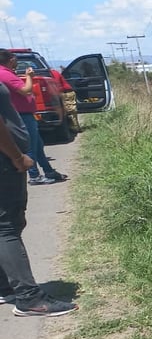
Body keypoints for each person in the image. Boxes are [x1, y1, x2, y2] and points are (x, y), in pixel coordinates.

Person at [0, 82, 78, 317]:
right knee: (7, 228)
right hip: (5, 160)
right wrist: (16, 156)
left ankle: (6, 286)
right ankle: (29, 298)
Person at [0, 49, 67, 185]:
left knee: (38, 146)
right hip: (22, 115)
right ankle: (34, 176)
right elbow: (25, 90)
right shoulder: (4, 74)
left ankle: (48, 171)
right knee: (30, 146)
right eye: (15, 59)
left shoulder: (6, 73)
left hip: (24, 114)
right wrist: (29, 76)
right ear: (11, 59)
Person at [53, 66, 80, 132]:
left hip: (65, 93)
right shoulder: (55, 72)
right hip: (67, 92)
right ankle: (75, 127)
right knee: (71, 111)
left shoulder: (52, 73)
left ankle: (74, 127)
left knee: (69, 111)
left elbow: (57, 85)